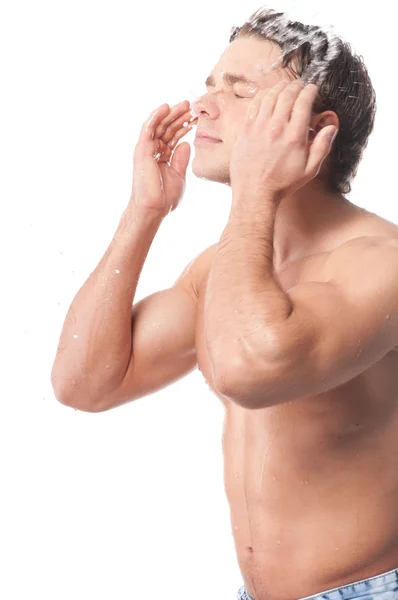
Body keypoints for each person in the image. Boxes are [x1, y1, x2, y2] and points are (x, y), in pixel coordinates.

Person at [51, 7, 398, 600]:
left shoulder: (381, 263)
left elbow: (249, 370)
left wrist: (256, 189)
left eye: (241, 91)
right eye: (210, 85)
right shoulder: (224, 268)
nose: (204, 105)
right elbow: (85, 383)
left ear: (316, 129)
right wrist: (144, 212)